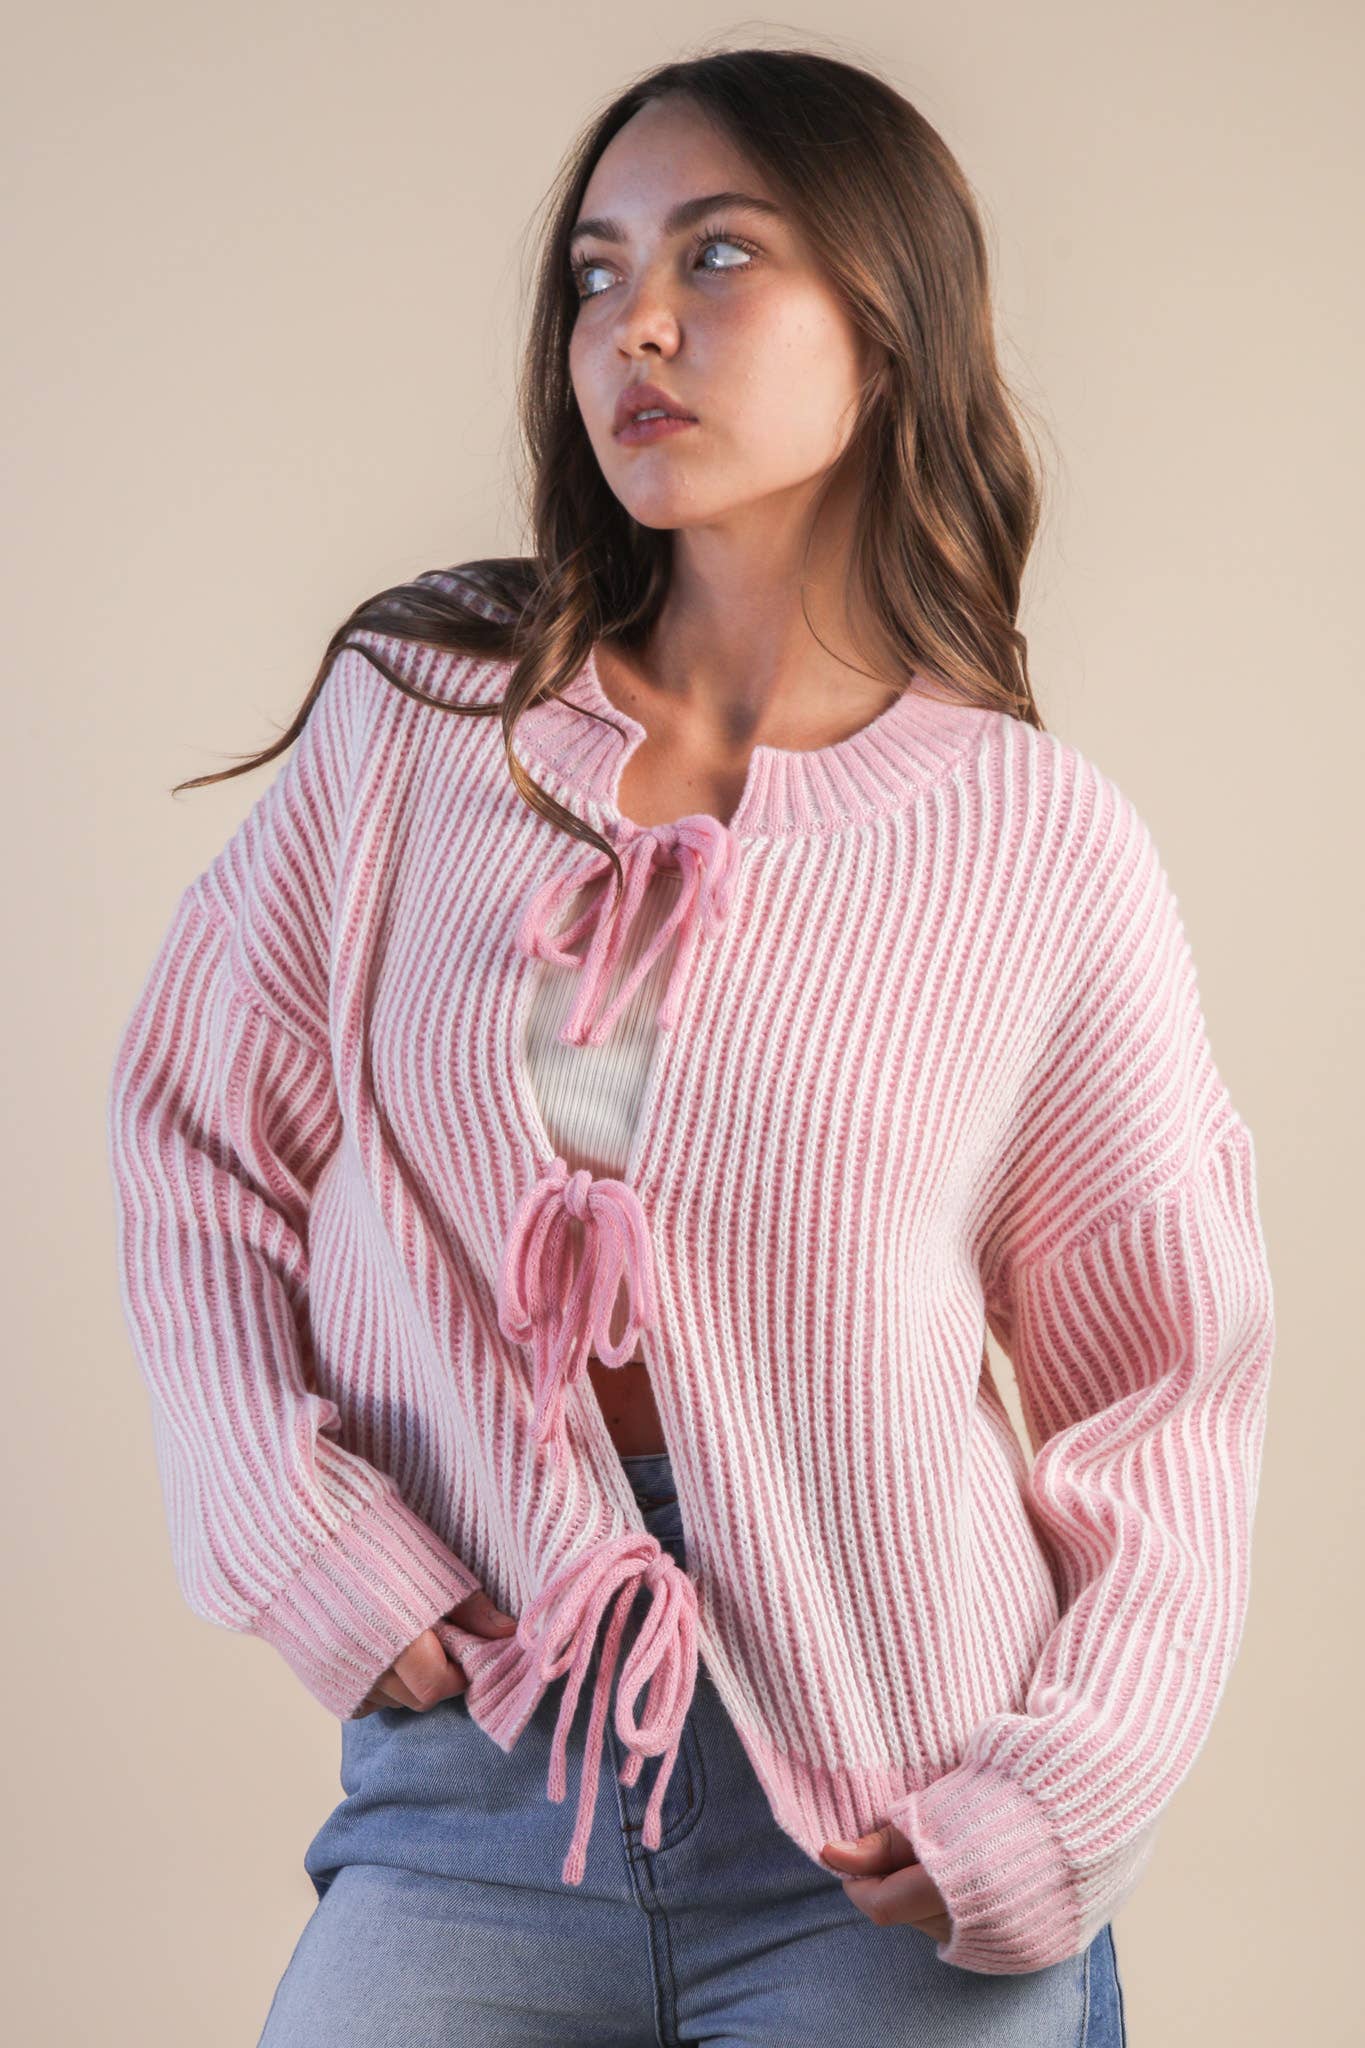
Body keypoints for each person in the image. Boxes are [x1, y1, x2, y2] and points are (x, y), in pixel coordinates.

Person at [106, 44, 1273, 2048]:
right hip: (484, 1776)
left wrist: (1055, 1795)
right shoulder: (423, 717)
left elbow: (1165, 1391)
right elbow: (195, 1136)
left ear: (884, 325)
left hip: (892, 1807)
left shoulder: (1033, 842)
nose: (633, 324)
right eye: (594, 272)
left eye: (716, 255)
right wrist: (296, 1532)